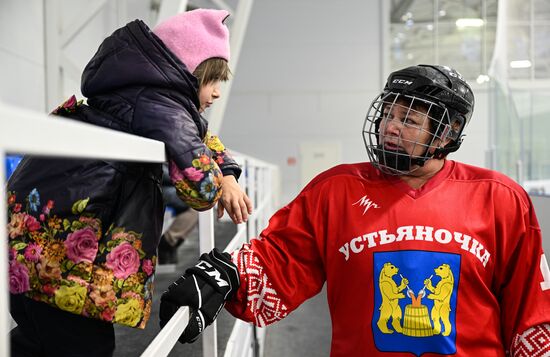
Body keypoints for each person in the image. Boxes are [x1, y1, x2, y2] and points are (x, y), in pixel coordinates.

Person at [159, 64, 550, 356]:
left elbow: (530, 308)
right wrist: (227, 276)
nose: (390, 128)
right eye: (389, 115)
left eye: (409, 120)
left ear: (447, 133)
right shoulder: (336, 190)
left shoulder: (500, 198)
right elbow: (282, 260)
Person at [6, 8, 252, 357]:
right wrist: (221, 181)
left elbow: (203, 137)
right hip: (64, 257)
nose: (216, 94)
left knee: (37, 340)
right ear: (190, 71)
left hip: (37, 238)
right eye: (212, 80)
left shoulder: (138, 92)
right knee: (85, 346)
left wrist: (227, 171)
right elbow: (201, 188)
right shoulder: (161, 105)